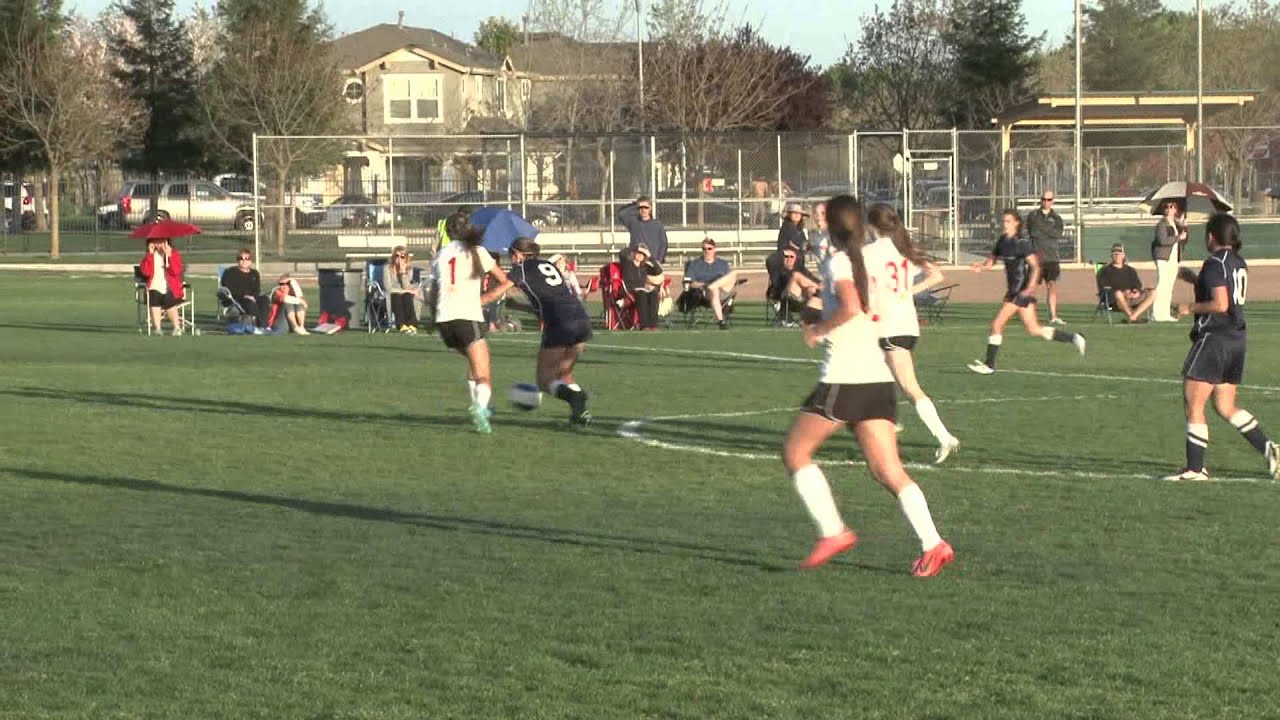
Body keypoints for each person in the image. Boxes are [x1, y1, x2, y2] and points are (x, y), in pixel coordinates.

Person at [782, 193, 954, 577]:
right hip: (877, 377)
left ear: (832, 225)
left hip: (845, 376)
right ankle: (933, 543)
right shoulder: (874, 255)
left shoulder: (842, 261)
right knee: (888, 470)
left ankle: (833, 532)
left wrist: (818, 329)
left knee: (795, 452)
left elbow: (850, 306)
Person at [1164, 213, 1280, 482]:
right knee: (1225, 406)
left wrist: (1187, 307)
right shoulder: (1239, 263)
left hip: (1214, 339)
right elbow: (1226, 292)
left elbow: (1220, 304)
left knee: (1193, 403)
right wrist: (1196, 280)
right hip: (1236, 340)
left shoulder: (1215, 263)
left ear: (1210, 236)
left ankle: (1195, 469)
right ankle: (1269, 449)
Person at [864, 204, 960, 464]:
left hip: (889, 326)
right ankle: (888, 420)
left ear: (872, 226)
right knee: (875, 374)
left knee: (908, 386)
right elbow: (937, 275)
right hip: (906, 324)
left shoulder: (869, 253)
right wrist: (910, 292)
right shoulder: (903, 251)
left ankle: (944, 436)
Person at [967, 210, 1086, 375]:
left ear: (1016, 223)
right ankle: (1074, 338)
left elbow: (1036, 266)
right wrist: (981, 266)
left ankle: (989, 365)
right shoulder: (1003, 241)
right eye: (1003, 221)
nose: (1004, 224)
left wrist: (1030, 288)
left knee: (997, 325)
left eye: (1008, 221)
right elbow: (992, 260)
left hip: (1020, 291)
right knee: (1034, 329)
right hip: (1014, 291)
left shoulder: (1022, 243)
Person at [429, 213, 512, 433]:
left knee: (473, 365)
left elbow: (433, 291)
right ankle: (480, 409)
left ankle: (480, 404)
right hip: (466, 317)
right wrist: (487, 298)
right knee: (484, 373)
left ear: (447, 232)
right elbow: (504, 280)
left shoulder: (440, 255)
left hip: (444, 321)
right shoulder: (478, 252)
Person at [505, 237, 593, 427]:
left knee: (544, 380)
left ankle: (576, 398)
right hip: (581, 319)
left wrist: (479, 301)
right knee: (565, 374)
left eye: (510, 255)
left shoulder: (521, 268)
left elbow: (501, 287)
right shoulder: (548, 266)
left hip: (560, 325)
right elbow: (547, 304)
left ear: (518, 255)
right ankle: (581, 414)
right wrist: (519, 307)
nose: (510, 260)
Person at [681, 237, 742, 329]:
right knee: (714, 290)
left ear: (714, 250)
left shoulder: (723, 264)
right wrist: (704, 285)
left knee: (734, 273)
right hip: (705, 293)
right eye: (704, 249)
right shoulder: (695, 264)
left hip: (724, 291)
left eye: (709, 248)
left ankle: (714, 286)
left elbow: (728, 280)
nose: (707, 251)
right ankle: (721, 321)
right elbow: (689, 283)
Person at [1025, 189, 1066, 325]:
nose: (1046, 202)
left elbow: (1057, 234)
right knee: (1032, 287)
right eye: (1044, 199)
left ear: (1053, 201)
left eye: (1049, 200)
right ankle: (1029, 315)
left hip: (1052, 257)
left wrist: (1043, 229)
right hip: (1037, 257)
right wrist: (1047, 229)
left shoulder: (1057, 218)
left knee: (1052, 286)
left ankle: (1053, 316)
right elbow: (1033, 232)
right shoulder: (1033, 216)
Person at [1097, 243, 1156, 323]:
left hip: (1131, 297)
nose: (1117, 256)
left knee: (1153, 292)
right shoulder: (1104, 271)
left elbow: (1137, 284)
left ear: (1123, 255)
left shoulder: (1130, 270)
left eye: (1119, 254)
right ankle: (1133, 317)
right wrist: (1124, 293)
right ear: (1111, 256)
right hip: (1115, 300)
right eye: (1115, 254)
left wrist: (1135, 291)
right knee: (1118, 293)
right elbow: (1104, 287)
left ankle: (1133, 316)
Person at [1150, 200, 1189, 322]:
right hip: (1163, 258)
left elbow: (1184, 240)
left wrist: (1184, 226)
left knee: (1169, 287)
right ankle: (1156, 314)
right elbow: (1163, 241)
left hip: (1173, 259)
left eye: (1171, 206)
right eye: (1166, 207)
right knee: (1162, 284)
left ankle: (1165, 313)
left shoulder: (1175, 224)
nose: (1168, 209)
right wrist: (1178, 237)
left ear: (1175, 210)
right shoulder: (1162, 224)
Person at [139, 238, 185, 335]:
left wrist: (169, 256)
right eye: (156, 242)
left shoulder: (173, 254)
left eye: (161, 241)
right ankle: (157, 328)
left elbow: (176, 271)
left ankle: (177, 328)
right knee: (154, 296)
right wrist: (149, 255)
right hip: (154, 286)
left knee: (168, 299)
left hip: (170, 287)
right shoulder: (150, 256)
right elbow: (145, 272)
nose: (159, 244)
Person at [220, 248, 269, 327]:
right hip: (236, 298)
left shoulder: (254, 273)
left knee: (265, 300)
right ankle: (260, 325)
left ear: (251, 261)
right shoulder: (229, 272)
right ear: (237, 260)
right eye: (241, 258)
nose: (243, 261)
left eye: (247, 258)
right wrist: (244, 295)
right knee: (249, 303)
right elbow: (228, 289)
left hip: (252, 297)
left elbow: (257, 289)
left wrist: (253, 297)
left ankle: (264, 326)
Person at [620, 243, 661, 330]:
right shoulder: (627, 263)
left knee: (653, 293)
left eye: (643, 254)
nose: (640, 255)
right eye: (638, 253)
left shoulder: (644, 267)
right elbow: (622, 253)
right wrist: (637, 248)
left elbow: (658, 270)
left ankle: (653, 325)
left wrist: (650, 257)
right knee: (641, 293)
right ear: (634, 253)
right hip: (630, 290)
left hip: (643, 289)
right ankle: (644, 325)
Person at [616, 196, 668, 264]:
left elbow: (663, 244)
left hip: (652, 261)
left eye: (646, 207)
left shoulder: (658, 224)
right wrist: (634, 205)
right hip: (636, 261)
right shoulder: (633, 223)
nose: (643, 210)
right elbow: (621, 214)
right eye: (640, 208)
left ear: (650, 208)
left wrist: (659, 260)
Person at [384, 245, 418, 334]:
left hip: (405, 294)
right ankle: (401, 325)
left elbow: (407, 287)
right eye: (397, 256)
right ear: (393, 257)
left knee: (407, 296)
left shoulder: (409, 269)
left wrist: (403, 273)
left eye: (402, 256)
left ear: (406, 257)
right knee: (397, 296)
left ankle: (411, 324)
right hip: (391, 294)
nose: (399, 258)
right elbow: (388, 288)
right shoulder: (387, 268)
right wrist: (405, 291)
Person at [777, 201, 809, 271]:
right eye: (794, 213)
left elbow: (804, 242)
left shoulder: (798, 228)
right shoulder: (788, 226)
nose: (797, 215)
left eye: (799, 213)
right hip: (788, 260)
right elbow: (796, 243)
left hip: (796, 259)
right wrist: (805, 247)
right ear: (789, 215)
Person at [807, 201, 830, 267]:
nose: (818, 216)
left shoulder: (834, 233)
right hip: (818, 271)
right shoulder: (813, 234)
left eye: (822, 213)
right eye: (815, 213)